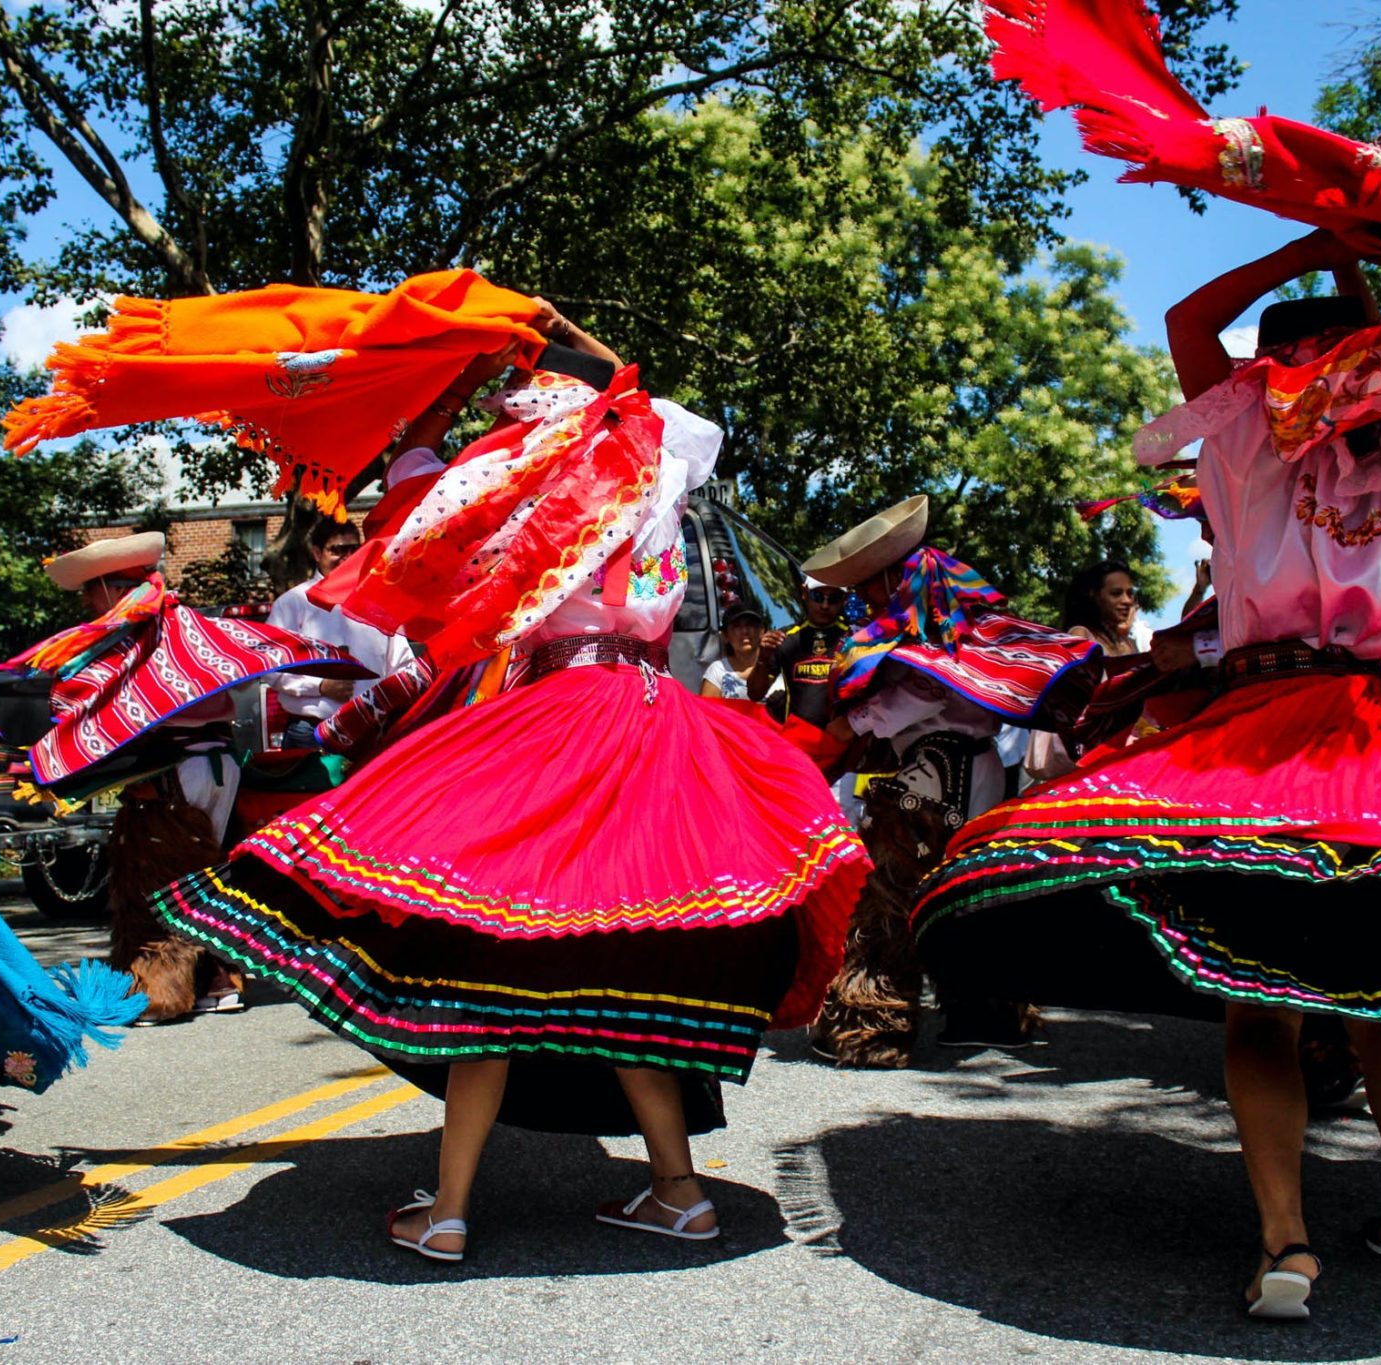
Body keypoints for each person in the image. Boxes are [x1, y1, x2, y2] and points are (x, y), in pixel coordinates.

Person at [912, 229, 1381, 1322]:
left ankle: (1286, 1244)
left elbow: (1187, 324)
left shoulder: (1238, 435)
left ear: (1260, 372)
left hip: (1262, 733)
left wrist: (1313, 242)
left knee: (1258, 1001)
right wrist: (1365, 289)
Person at [98, 310, 868, 1261]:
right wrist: (558, 336)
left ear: (533, 405)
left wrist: (437, 400)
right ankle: (677, 1189)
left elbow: (423, 523)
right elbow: (633, 394)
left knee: (485, 958)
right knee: (616, 952)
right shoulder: (654, 454)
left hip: (557, 720)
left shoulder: (532, 469)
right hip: (652, 714)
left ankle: (451, 1207)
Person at [801, 495, 1097, 1067]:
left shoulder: (930, 636)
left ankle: (873, 1025)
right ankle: (988, 1011)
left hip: (931, 772)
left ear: (895, 576)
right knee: (971, 894)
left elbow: (926, 690)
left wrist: (852, 721)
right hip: (975, 769)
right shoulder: (961, 625)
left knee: (890, 894)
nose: (864, 598)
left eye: (870, 585)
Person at [43, 532, 249, 1024]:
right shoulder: (189, 625)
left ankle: (158, 994)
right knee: (206, 876)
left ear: (112, 590)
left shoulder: (129, 638)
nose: (87, 603)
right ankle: (220, 981)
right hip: (218, 764)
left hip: (173, 771)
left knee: (153, 883)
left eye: (91, 592)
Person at [266, 516, 413, 749]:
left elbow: (402, 665)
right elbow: (271, 667)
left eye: (353, 549)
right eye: (337, 550)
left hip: (370, 729)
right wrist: (319, 686)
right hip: (312, 730)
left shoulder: (379, 600)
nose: (346, 557)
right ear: (317, 553)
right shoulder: (293, 603)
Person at [751, 579, 851, 726]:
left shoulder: (854, 637)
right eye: (817, 596)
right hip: (794, 741)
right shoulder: (783, 637)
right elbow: (755, 694)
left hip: (839, 743)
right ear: (804, 592)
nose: (824, 605)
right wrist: (762, 658)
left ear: (845, 599)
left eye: (833, 599)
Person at [1062, 560, 1140, 657]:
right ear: (1094, 595)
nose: (1127, 601)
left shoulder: (1128, 644)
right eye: (1116, 593)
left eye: (1130, 594)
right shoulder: (1082, 635)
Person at [701, 603, 767, 700]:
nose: (744, 631)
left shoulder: (780, 667)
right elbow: (704, 712)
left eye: (750, 624)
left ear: (762, 631)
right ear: (725, 636)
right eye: (737, 626)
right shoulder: (717, 671)